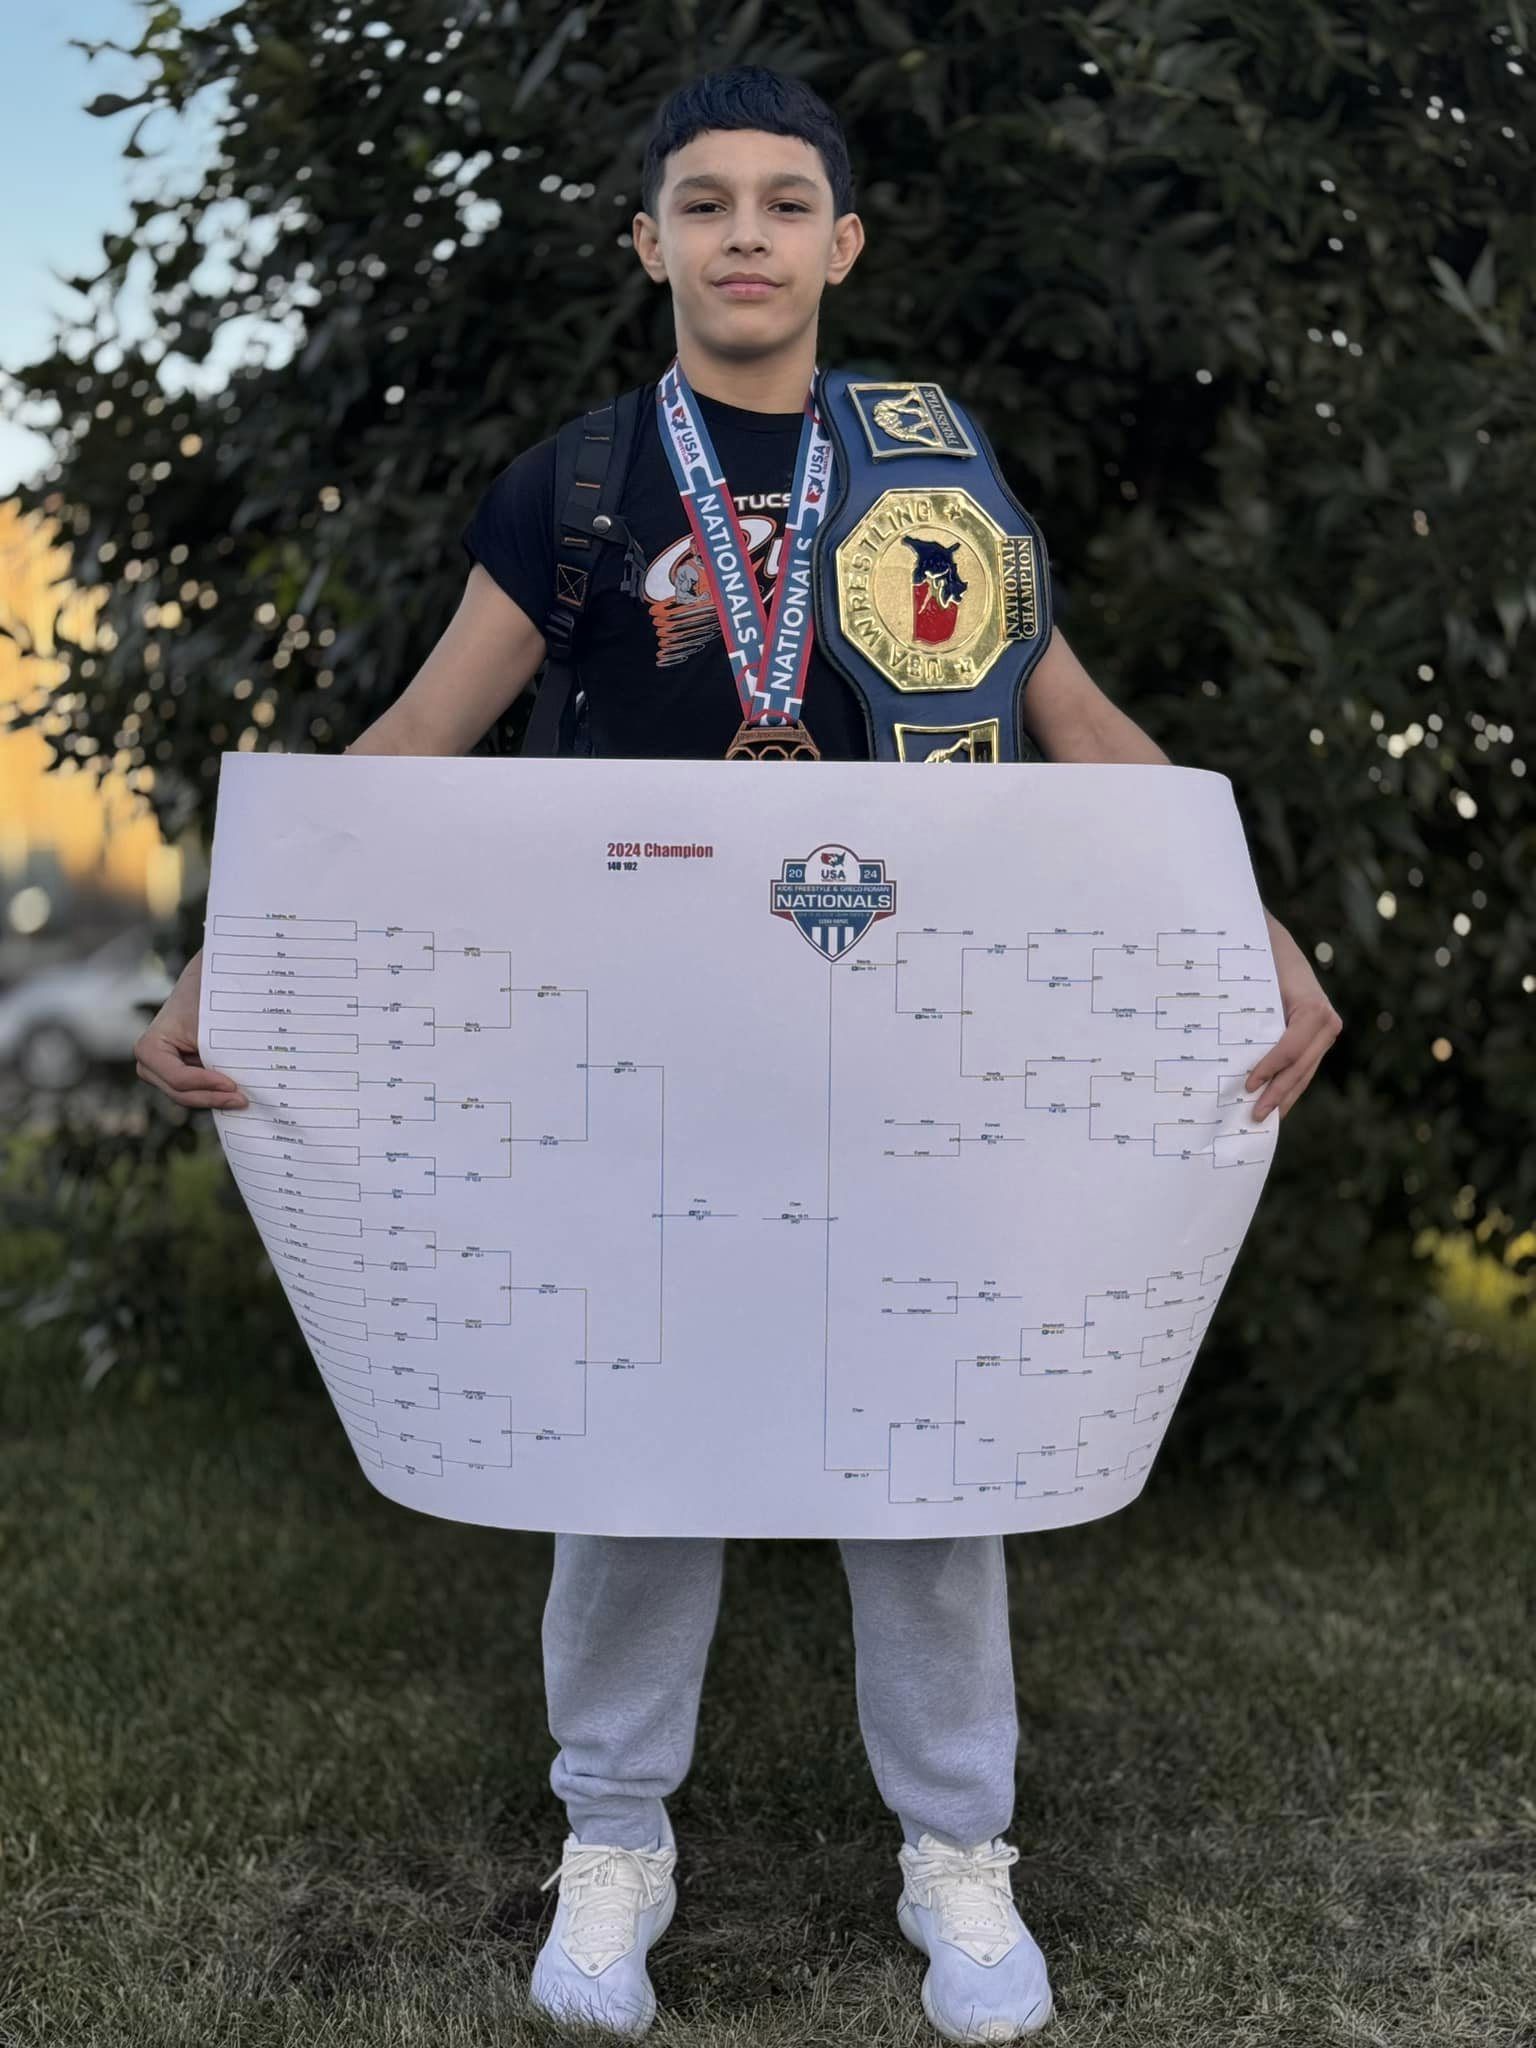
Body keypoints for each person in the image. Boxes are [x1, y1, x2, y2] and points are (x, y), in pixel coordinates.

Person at [135, 63, 1343, 2047]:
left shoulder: (937, 477)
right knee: (626, 1445)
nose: (747, 234)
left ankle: (958, 1852)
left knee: (930, 1449)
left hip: (908, 1048)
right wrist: (236, 952)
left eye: (787, 202)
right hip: (637, 1057)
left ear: (842, 243)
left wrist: (1250, 925)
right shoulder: (581, 487)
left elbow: (1081, 728)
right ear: (650, 244)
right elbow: (415, 744)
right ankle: (614, 1838)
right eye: (705, 203)